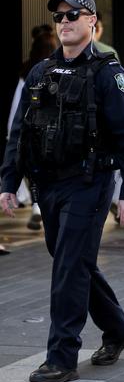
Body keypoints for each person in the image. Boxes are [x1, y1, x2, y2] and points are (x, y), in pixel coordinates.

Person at [0, 0, 124, 382]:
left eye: (73, 15)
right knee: (72, 261)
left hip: (89, 183)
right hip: (49, 186)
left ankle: (61, 356)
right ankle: (118, 330)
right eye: (59, 17)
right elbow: (19, 132)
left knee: (67, 268)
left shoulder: (110, 74)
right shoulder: (41, 72)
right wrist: (9, 181)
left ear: (92, 22)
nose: (64, 22)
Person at [7, 27, 58, 231]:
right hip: (53, 129)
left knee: (34, 169)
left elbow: (18, 106)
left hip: (31, 129)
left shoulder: (27, 70)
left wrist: (13, 131)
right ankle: (44, 207)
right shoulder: (59, 67)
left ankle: (37, 205)